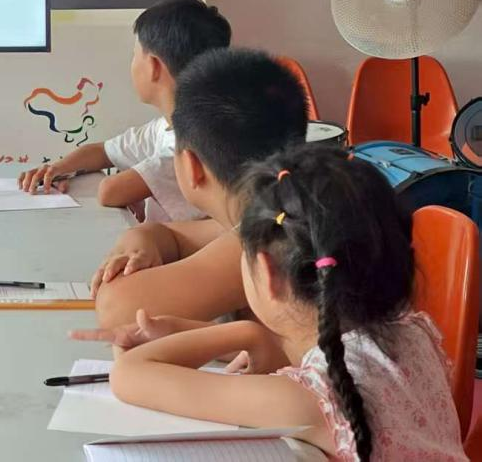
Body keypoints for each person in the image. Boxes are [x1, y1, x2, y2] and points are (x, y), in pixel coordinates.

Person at [104, 145, 466, 462]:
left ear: (266, 272)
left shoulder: (309, 401)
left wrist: (242, 332)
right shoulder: (414, 332)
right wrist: (252, 339)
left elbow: (128, 375)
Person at [89, 48, 308, 328]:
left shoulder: (272, 237)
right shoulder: (281, 209)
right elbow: (164, 233)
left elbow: (115, 308)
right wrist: (138, 248)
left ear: (192, 166)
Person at [19, 0, 232, 223]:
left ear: (154, 67)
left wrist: (129, 187)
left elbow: (110, 191)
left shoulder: (195, 145)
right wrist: (58, 169)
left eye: (135, 55)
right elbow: (101, 152)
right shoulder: (166, 127)